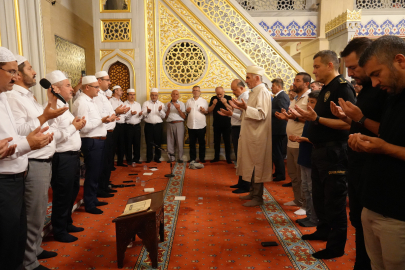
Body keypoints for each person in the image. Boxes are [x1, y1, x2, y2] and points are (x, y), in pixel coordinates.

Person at [7, 55, 69, 270]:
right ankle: (29, 262)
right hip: (32, 160)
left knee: (40, 211)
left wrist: (50, 106)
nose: (35, 72)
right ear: (18, 74)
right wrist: (44, 118)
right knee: (32, 215)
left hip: (43, 159)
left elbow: (39, 122)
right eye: (30, 68)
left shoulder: (28, 97)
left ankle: (36, 249)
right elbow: (21, 131)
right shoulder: (13, 97)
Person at [330, 37, 387, 270]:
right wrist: (348, 118)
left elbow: (389, 132)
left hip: (375, 172)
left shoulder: (384, 90)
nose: (350, 73)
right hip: (357, 166)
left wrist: (359, 119)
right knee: (360, 226)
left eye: (354, 67)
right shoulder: (366, 89)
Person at [350, 35, 405, 270]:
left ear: (399, 60)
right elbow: (387, 134)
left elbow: (389, 145)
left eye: (376, 73)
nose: (374, 83)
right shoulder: (394, 94)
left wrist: (385, 147)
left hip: (398, 212)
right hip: (374, 203)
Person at [293, 50, 355, 259]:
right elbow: (318, 117)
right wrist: (311, 117)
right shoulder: (327, 88)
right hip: (320, 151)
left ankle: (335, 247)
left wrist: (317, 119)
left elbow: (348, 124)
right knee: (320, 197)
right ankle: (322, 230)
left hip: (334, 152)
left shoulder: (343, 88)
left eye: (317, 66)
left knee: (334, 201)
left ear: (330, 65)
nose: (314, 70)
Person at [0, 47, 53, 270]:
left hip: (18, 173)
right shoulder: (10, 96)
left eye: (15, 71)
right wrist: (28, 143)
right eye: (11, 71)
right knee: (8, 240)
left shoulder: (3, 97)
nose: (15, 76)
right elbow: (14, 139)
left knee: (18, 234)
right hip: (5, 179)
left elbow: (12, 136)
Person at [45, 70, 87, 244]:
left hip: (72, 157)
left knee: (72, 192)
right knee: (62, 195)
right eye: (68, 85)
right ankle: (59, 230)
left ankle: (66, 222)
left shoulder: (65, 108)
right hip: (62, 158)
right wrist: (74, 128)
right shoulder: (51, 109)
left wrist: (77, 125)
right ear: (56, 89)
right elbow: (53, 135)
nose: (72, 89)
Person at [230, 65, 272, 207]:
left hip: (258, 136)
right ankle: (253, 192)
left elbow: (261, 114)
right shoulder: (255, 91)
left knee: (257, 166)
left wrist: (245, 108)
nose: (246, 81)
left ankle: (258, 197)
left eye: (248, 77)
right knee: (251, 164)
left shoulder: (263, 92)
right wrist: (242, 108)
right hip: (251, 135)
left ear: (257, 78)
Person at [72, 75, 114, 215]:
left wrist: (105, 120)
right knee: (92, 173)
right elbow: (83, 127)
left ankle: (93, 198)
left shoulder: (91, 101)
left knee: (96, 172)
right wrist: (102, 120)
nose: (98, 89)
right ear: (87, 87)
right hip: (91, 141)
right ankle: (89, 203)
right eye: (96, 87)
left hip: (98, 140)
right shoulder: (82, 102)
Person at [275, 73, 312, 217]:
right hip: (291, 141)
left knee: (302, 176)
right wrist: (286, 118)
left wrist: (294, 117)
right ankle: (297, 199)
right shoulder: (295, 98)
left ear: (306, 83)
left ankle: (305, 204)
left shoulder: (309, 98)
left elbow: (310, 119)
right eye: (295, 80)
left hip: (301, 142)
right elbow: (294, 118)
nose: (294, 83)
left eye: (298, 81)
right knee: (293, 174)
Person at [289, 90, 320, 228]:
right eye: (309, 101)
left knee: (312, 189)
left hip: (311, 156)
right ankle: (308, 215)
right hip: (304, 153)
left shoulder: (319, 118)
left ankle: (314, 218)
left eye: (312, 102)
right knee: (305, 187)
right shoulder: (309, 117)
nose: (309, 105)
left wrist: (303, 139)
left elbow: (318, 140)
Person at [218, 79, 250, 193]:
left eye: (234, 89)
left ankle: (246, 185)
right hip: (236, 128)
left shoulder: (245, 97)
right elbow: (239, 113)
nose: (233, 92)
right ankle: (241, 182)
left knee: (243, 157)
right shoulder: (241, 96)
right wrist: (230, 111)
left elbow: (244, 116)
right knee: (239, 156)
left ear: (241, 88)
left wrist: (231, 113)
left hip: (241, 128)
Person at [271, 78, 290, 182]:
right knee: (275, 152)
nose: (271, 88)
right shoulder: (278, 96)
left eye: (273, 86)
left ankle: (281, 175)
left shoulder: (282, 96)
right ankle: (278, 172)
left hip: (279, 128)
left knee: (277, 152)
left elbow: (283, 111)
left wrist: (269, 110)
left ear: (278, 86)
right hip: (276, 128)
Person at [208, 86, 232, 163]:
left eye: (220, 94)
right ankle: (216, 157)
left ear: (224, 92)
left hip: (227, 124)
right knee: (216, 142)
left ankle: (228, 158)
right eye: (217, 94)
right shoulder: (213, 98)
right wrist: (213, 104)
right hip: (217, 124)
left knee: (227, 142)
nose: (219, 96)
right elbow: (209, 110)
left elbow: (232, 109)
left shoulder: (229, 98)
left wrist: (225, 103)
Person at [185, 85, 208, 163]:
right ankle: (192, 158)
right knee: (192, 143)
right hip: (191, 125)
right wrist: (187, 111)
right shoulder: (189, 101)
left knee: (202, 143)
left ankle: (202, 158)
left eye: (197, 90)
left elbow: (207, 112)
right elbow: (186, 112)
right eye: (194, 90)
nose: (195, 92)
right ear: (192, 92)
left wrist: (203, 111)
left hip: (201, 125)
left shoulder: (204, 101)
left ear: (200, 92)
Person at [142, 88, 165, 163]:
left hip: (158, 126)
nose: (154, 97)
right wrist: (147, 112)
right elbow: (143, 116)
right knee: (149, 142)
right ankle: (149, 158)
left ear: (157, 96)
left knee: (158, 143)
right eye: (152, 95)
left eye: (155, 95)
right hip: (149, 126)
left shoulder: (161, 104)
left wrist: (160, 110)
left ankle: (157, 158)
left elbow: (163, 116)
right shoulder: (146, 103)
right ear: (150, 95)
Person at [165, 90, 186, 163]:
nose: (175, 95)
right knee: (170, 141)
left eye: (176, 94)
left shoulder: (182, 104)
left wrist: (178, 109)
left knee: (180, 142)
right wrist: (168, 109)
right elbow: (165, 117)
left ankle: (180, 158)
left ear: (178, 96)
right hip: (169, 123)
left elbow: (184, 117)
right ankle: (171, 158)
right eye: (173, 94)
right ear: (171, 95)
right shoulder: (167, 104)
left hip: (179, 123)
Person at [110, 85, 128, 166]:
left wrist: (126, 112)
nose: (122, 92)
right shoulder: (110, 101)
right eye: (121, 90)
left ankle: (120, 162)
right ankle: (111, 164)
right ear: (116, 91)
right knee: (113, 145)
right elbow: (110, 113)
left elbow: (123, 115)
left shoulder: (122, 102)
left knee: (122, 144)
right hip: (114, 125)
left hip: (122, 125)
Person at [124, 89, 143, 164]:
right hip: (128, 127)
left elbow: (140, 117)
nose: (132, 96)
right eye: (131, 94)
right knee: (128, 143)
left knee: (137, 143)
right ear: (127, 95)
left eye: (134, 94)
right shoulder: (124, 104)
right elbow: (124, 117)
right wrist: (130, 114)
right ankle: (129, 160)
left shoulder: (138, 104)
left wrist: (140, 115)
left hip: (137, 126)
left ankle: (136, 159)